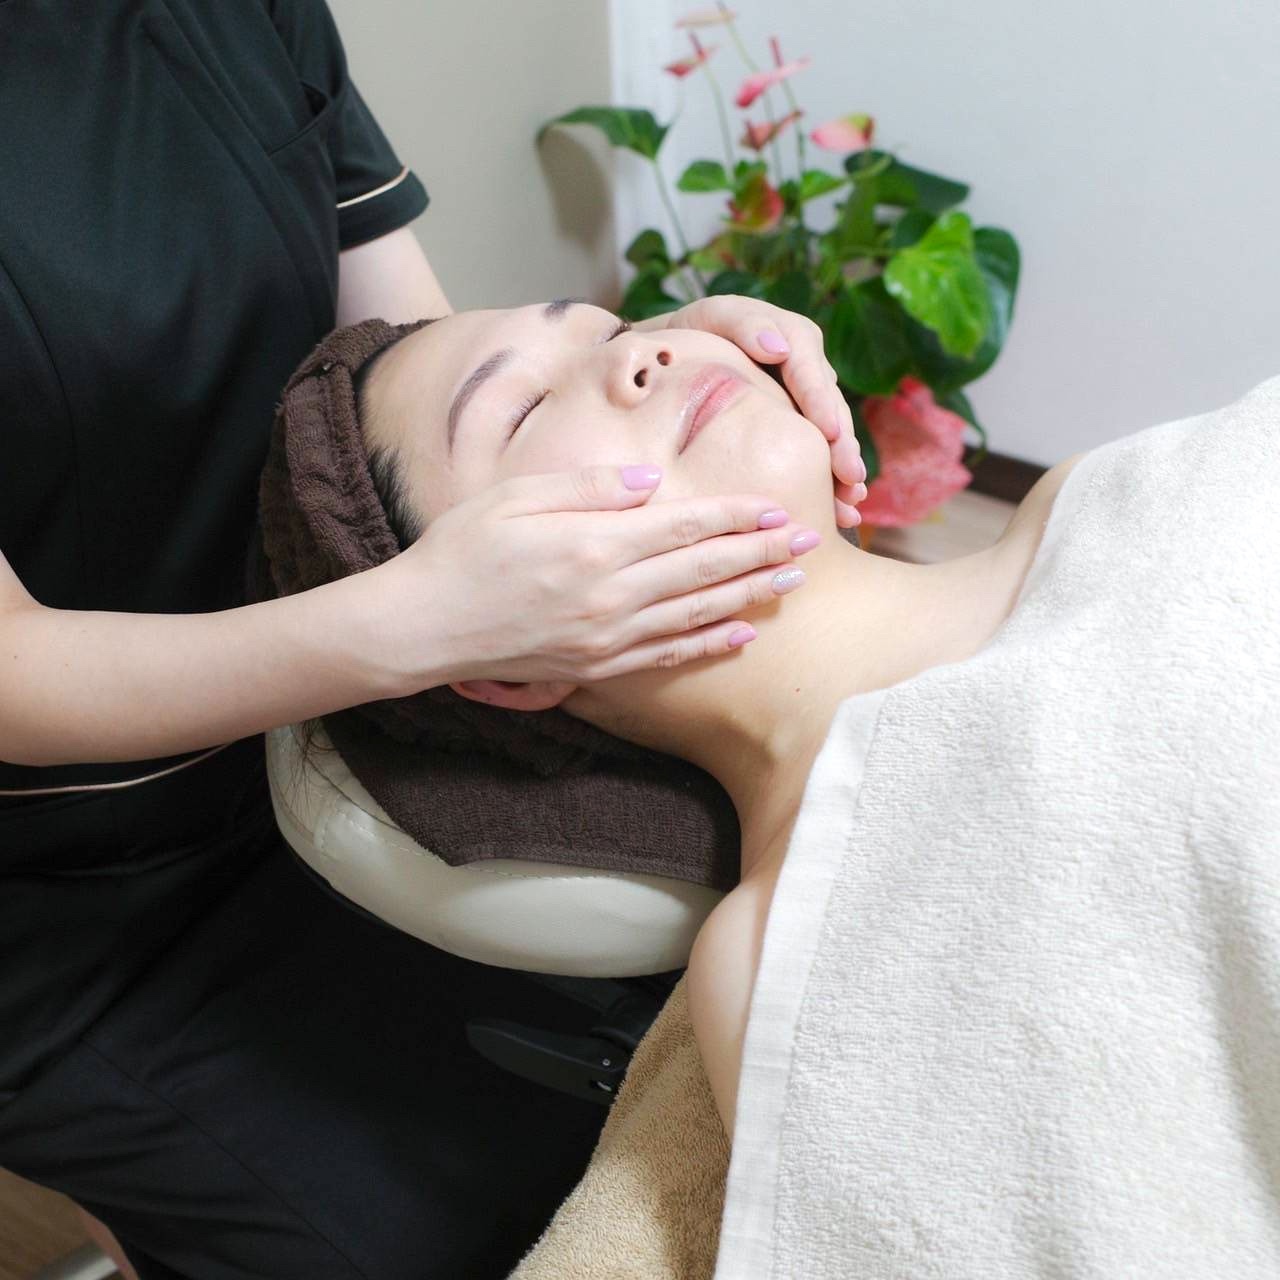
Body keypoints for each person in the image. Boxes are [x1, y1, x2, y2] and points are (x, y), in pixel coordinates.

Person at [0, 4, 867, 1277]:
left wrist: (667, 364)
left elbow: (411, 377)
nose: (624, 352)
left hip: (362, 734)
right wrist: (416, 620)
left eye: (604, 330)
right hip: (80, 902)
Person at [309, 301, 1280, 1278]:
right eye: (520, 411)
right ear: (501, 664)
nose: (640, 355)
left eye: (607, 329)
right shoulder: (778, 957)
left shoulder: (1121, 486)